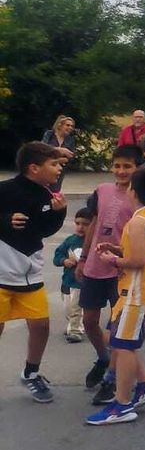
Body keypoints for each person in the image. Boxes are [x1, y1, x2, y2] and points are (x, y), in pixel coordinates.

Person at [84, 167, 145, 425]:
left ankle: (122, 404)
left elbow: (137, 260)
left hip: (136, 292)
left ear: (133, 191)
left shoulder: (136, 221)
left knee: (124, 345)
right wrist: (118, 247)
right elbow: (143, 248)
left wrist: (114, 259)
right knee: (122, 340)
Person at [1, 142, 69, 402]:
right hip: (2, 274)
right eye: (53, 164)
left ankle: (30, 373)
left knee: (41, 327)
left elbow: (44, 230)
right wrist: (5, 221)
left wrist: (59, 214)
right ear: (33, 167)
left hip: (30, 275)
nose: (58, 169)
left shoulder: (46, 195)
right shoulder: (5, 190)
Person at [80, 144, 143, 402]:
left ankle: (113, 378)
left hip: (121, 269)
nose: (121, 170)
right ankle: (104, 357)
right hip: (95, 265)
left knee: (119, 329)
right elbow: (94, 224)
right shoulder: (102, 190)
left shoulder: (141, 196)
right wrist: (84, 257)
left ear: (137, 168)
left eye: (127, 166)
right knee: (89, 321)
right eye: (117, 165)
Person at [54, 208, 92, 344]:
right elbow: (57, 255)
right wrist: (64, 261)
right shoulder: (70, 240)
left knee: (76, 307)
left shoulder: (93, 243)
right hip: (67, 281)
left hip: (80, 283)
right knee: (67, 308)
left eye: (85, 224)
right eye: (78, 223)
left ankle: (75, 331)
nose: (81, 227)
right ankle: (72, 324)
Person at [42, 115, 77, 191]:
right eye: (67, 125)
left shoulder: (70, 140)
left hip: (58, 171)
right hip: (45, 168)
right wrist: (60, 150)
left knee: (55, 192)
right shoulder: (49, 134)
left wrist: (57, 159)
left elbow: (71, 156)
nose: (70, 128)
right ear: (60, 125)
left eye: (72, 126)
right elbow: (43, 148)